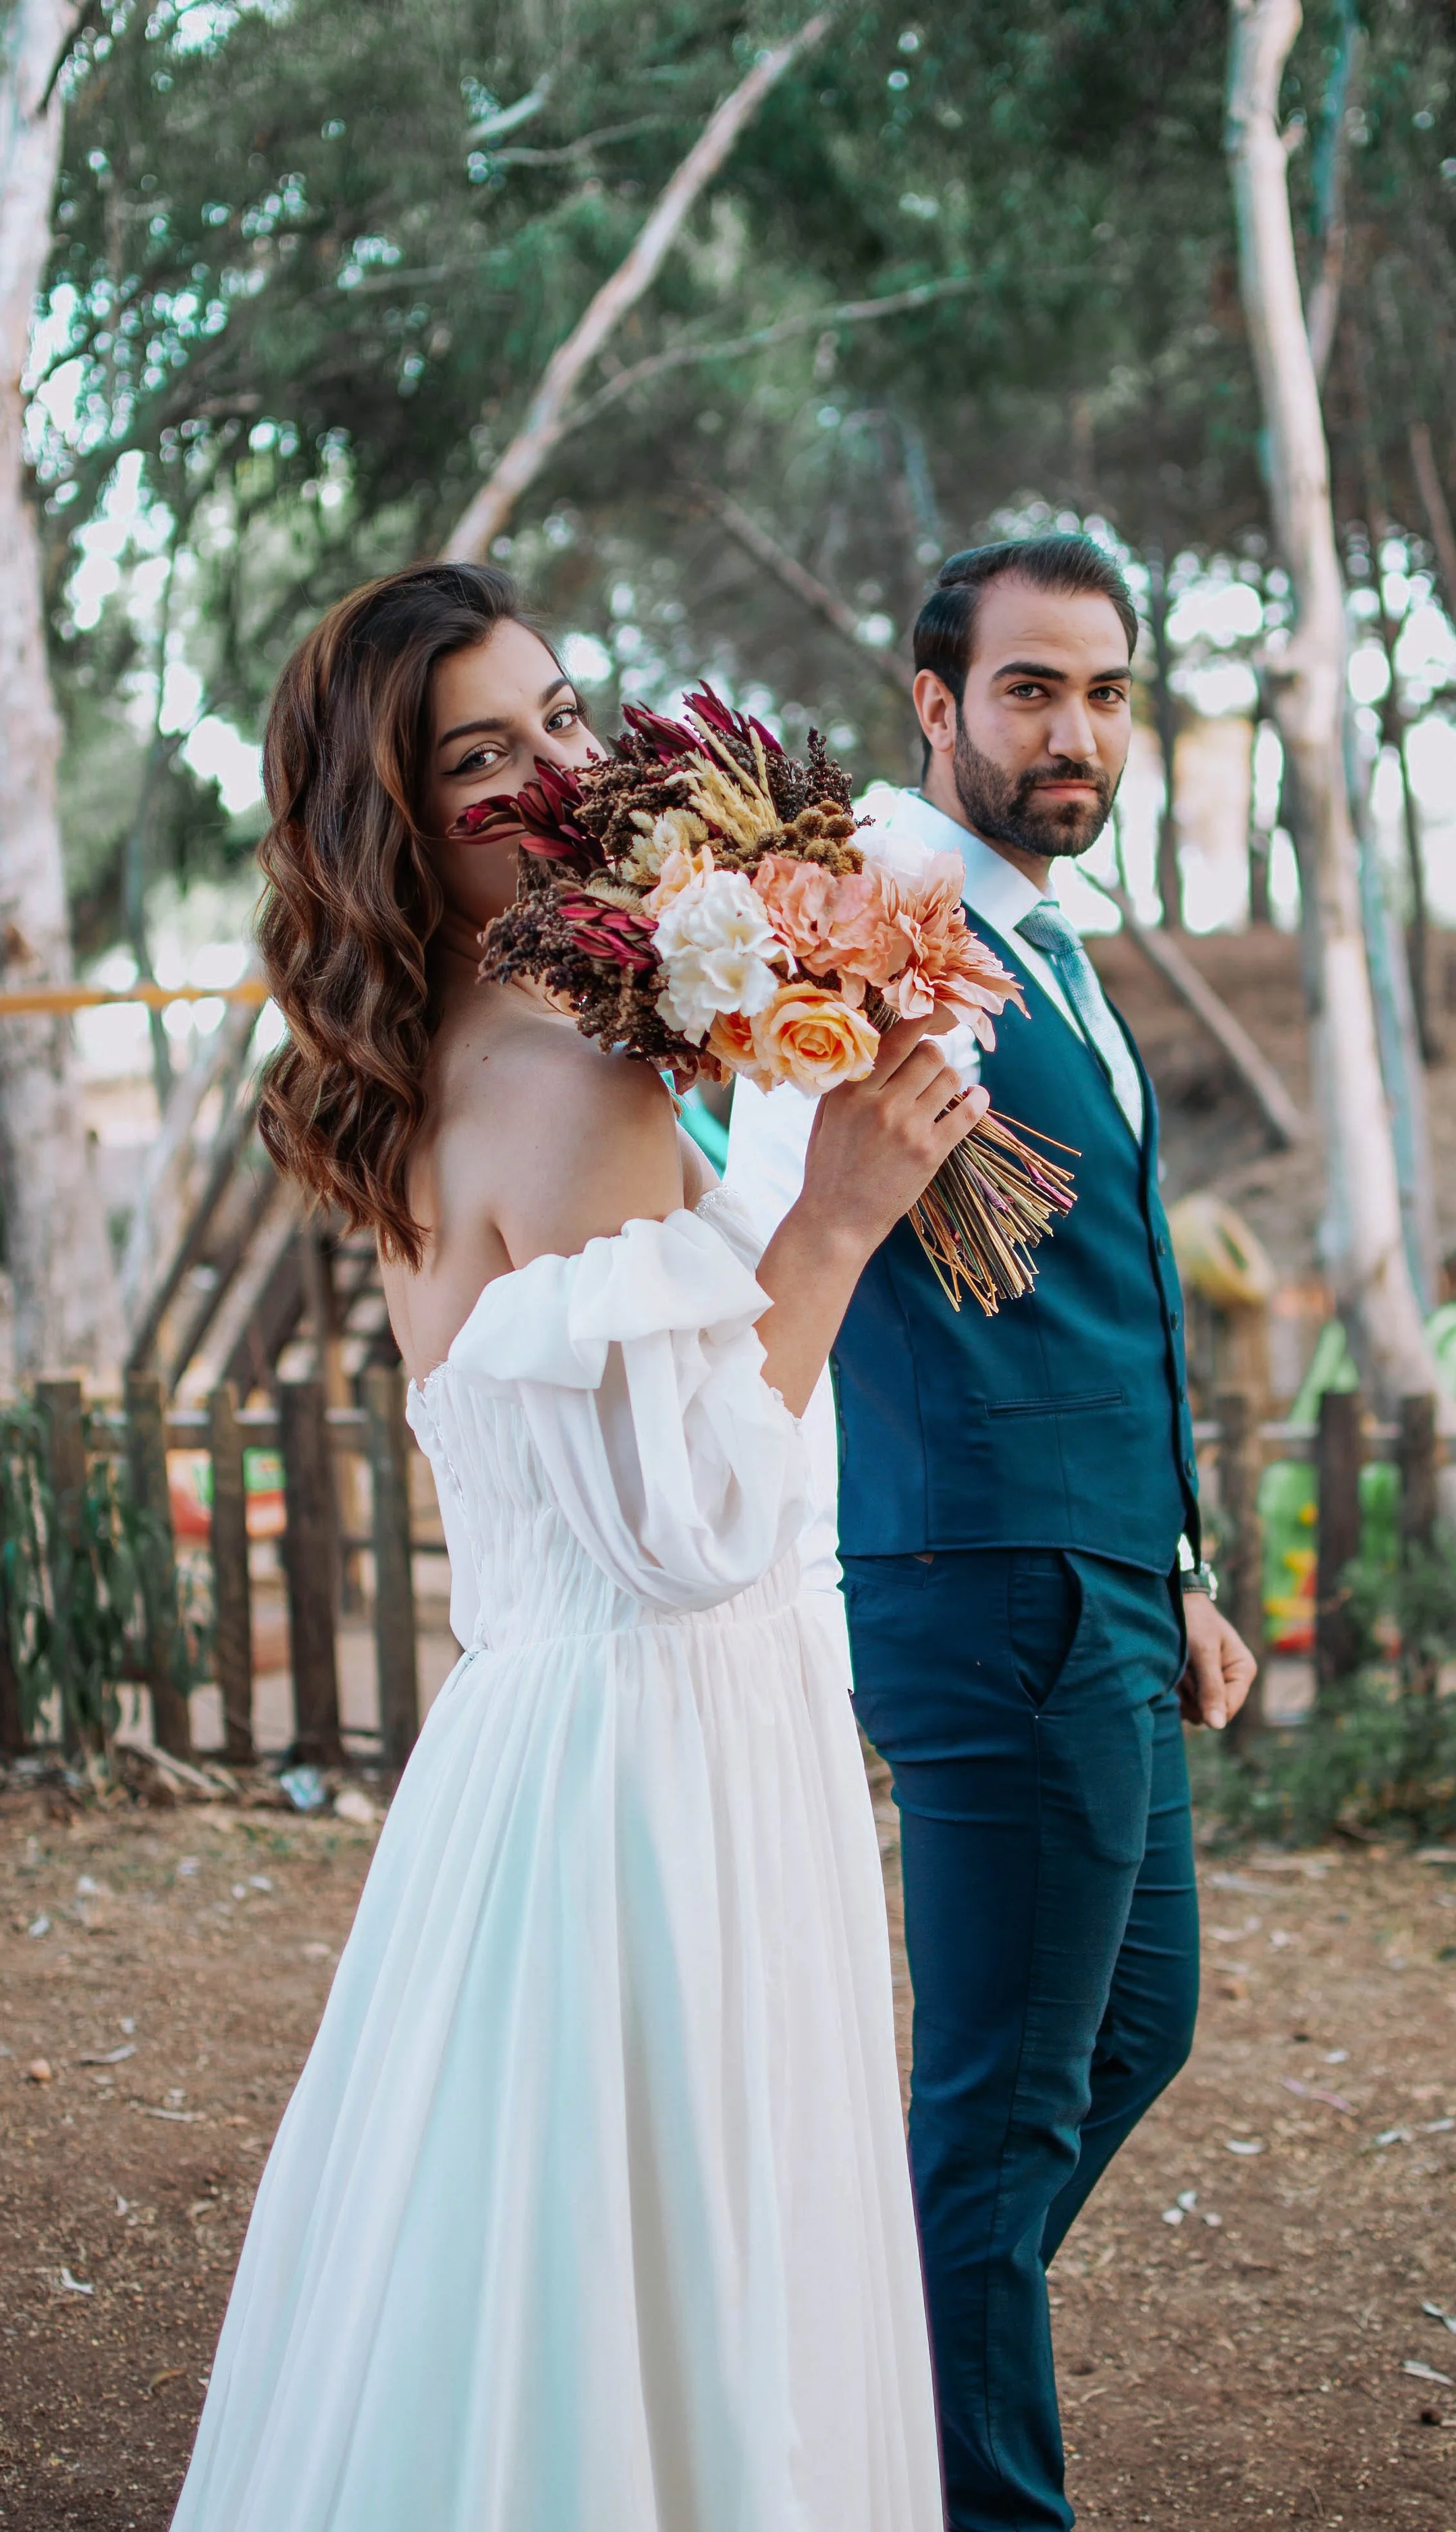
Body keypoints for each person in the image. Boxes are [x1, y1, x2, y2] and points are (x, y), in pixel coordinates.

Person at [169, 562, 963, 2532]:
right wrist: (841, 1214)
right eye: (477, 753)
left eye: (563, 715)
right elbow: (689, 1525)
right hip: (655, 1761)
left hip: (530, 1752)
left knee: (512, 2285)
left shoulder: (422, 1064)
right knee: (677, 2288)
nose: (554, 770)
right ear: (391, 813)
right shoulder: (574, 1074)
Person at [727, 533, 1258, 2532]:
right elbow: (796, 1208)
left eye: (1107, 691)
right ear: (934, 705)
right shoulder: (867, 913)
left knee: (1139, 2024)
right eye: (1030, 688)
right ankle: (968, 2490)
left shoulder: (1040, 935)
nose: (1077, 730)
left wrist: (1178, 1562)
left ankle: (881, 2339)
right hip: (986, 1578)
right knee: (995, 2116)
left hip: (1106, 1573)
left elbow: (1104, 1278)